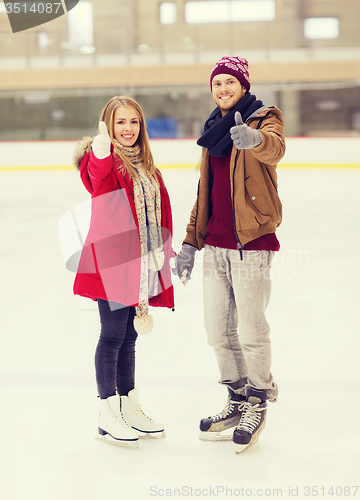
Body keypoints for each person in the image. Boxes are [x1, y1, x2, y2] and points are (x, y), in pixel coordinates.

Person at [175, 56, 285, 454]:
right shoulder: (211, 131)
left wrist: (256, 141)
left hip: (251, 242)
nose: (223, 89)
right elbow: (205, 192)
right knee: (217, 332)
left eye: (230, 82)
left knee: (253, 331)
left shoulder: (262, 118)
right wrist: (190, 241)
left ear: (243, 86)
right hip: (215, 246)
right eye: (217, 83)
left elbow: (276, 148)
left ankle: (258, 399)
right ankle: (237, 399)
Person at [73, 96, 174, 449]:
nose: (127, 129)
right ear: (108, 126)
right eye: (120, 123)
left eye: (133, 122)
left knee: (129, 337)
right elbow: (94, 180)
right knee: (113, 335)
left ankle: (128, 405)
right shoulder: (102, 160)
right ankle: (107, 410)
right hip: (114, 261)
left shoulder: (148, 167)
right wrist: (100, 152)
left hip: (143, 261)